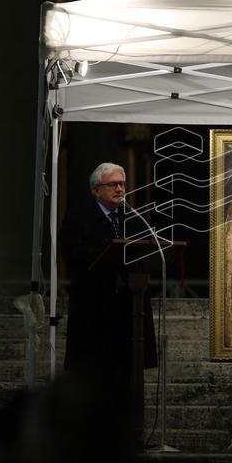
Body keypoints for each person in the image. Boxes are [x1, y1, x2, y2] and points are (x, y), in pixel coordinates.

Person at [60, 162, 157, 396]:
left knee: (125, 379)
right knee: (93, 378)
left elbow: (145, 252)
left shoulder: (133, 218)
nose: (120, 190)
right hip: (95, 306)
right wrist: (107, 256)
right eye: (113, 184)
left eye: (122, 184)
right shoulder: (79, 217)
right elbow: (72, 255)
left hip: (128, 309)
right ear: (96, 189)